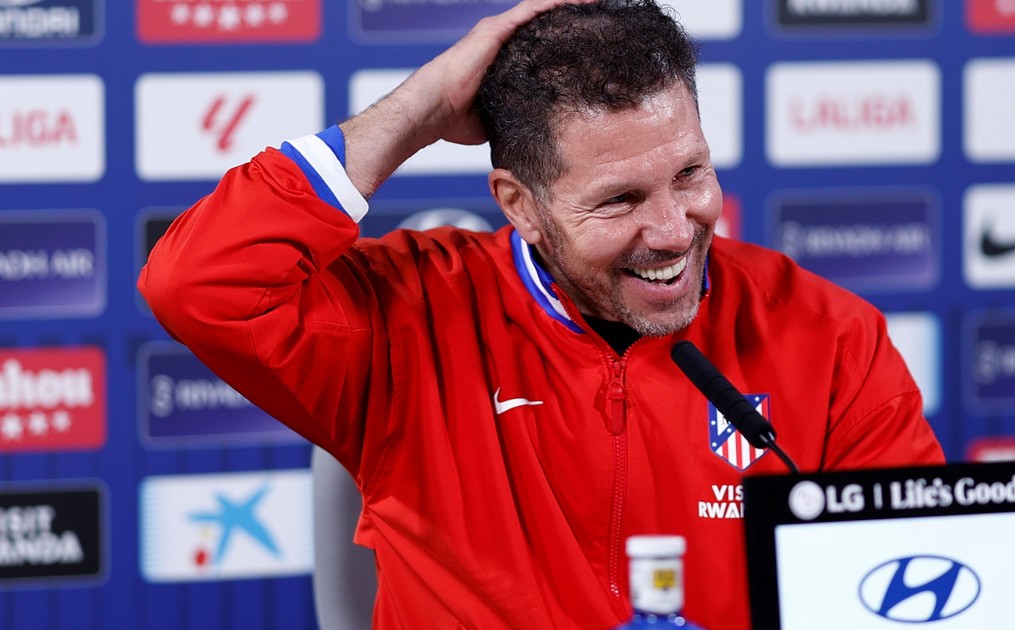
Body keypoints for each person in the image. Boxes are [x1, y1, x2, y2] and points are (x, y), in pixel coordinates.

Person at [138, 0, 945, 627]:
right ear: (519, 204)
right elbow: (197, 283)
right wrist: (417, 111)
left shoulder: (829, 335)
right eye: (620, 199)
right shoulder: (407, 320)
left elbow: (922, 587)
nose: (673, 230)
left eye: (689, 174)